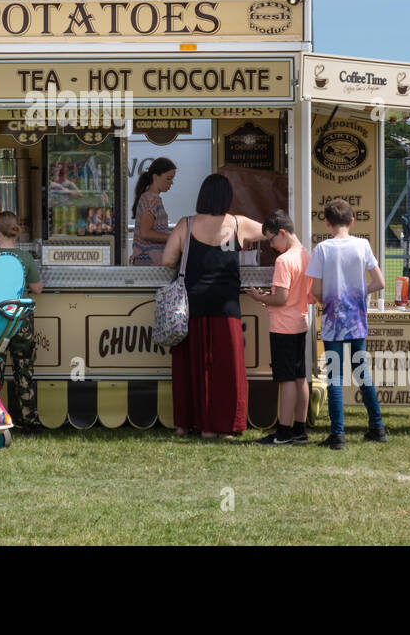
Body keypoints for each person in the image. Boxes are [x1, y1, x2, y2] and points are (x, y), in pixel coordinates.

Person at [161, 173, 265, 438]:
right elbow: (272, 230)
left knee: (190, 368)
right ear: (227, 197)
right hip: (226, 305)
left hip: (191, 305)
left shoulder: (186, 224)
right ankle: (224, 425)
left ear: (202, 196)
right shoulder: (238, 224)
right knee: (226, 369)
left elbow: (167, 260)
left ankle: (188, 424)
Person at [307, 198, 387, 450]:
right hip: (357, 322)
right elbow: (379, 282)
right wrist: (360, 293)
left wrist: (328, 301)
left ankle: (337, 434)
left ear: (328, 224)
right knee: (362, 374)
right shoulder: (362, 245)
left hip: (332, 322)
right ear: (352, 221)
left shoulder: (322, 249)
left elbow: (316, 289)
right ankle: (377, 427)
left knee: (335, 377)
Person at [246, 209, 314, 445]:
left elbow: (281, 299)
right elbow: (306, 294)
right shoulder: (306, 254)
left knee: (286, 380)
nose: (272, 246)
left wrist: (260, 297)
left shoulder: (284, 260)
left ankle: (283, 432)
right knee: (299, 377)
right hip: (300, 322)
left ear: (283, 233)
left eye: (272, 239)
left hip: (283, 326)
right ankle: (299, 428)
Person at [0, 210, 43, 429]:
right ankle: (28, 420)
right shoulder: (25, 258)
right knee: (24, 369)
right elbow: (37, 289)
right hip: (21, 320)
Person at [130, 158, 176, 265]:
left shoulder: (150, 198)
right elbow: (145, 233)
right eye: (168, 178)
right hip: (149, 261)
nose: (171, 182)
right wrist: (173, 237)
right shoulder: (150, 200)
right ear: (155, 177)